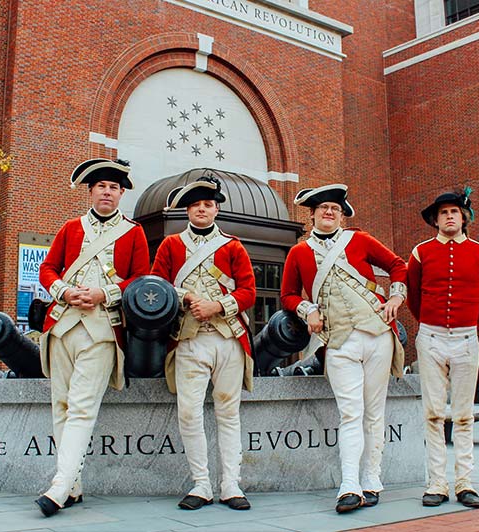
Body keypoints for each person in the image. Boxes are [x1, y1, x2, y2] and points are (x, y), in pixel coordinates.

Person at [280, 184, 408, 514]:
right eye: (322, 208)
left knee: (374, 411)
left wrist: (395, 296)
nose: (328, 213)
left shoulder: (360, 240)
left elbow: (398, 265)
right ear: (311, 215)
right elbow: (288, 295)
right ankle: (349, 485)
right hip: (338, 342)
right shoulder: (299, 252)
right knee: (350, 413)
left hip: (378, 334)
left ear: (342, 214)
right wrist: (307, 310)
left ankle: (372, 479)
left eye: (334, 209)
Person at [34, 158, 150, 517]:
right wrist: (65, 293)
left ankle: (58, 486)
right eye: (101, 186)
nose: (107, 192)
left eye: (114, 188)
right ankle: (74, 485)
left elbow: (141, 278)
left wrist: (105, 294)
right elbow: (47, 268)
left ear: (120, 195)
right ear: (91, 191)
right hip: (62, 325)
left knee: (82, 408)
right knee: (62, 408)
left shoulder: (133, 232)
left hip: (101, 328)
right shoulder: (71, 228)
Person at [150, 176, 256, 511]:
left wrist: (218, 306)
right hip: (188, 339)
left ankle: (231, 484)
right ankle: (200, 484)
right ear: (188, 210)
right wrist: (188, 296)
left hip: (227, 339)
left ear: (216, 209)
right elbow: (157, 287)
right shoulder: (170, 245)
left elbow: (248, 292)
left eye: (207, 205)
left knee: (229, 413)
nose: (201, 210)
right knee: (189, 414)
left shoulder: (233, 246)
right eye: (196, 205)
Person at [406, 188, 479, 509]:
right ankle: (436, 482)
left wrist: (469, 325)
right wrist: (429, 324)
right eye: (443, 212)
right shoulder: (420, 253)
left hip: (465, 340)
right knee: (432, 413)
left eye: (454, 212)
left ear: (464, 218)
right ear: (435, 219)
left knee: (462, 415)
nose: (449, 217)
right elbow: (414, 298)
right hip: (430, 338)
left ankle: (464, 482)